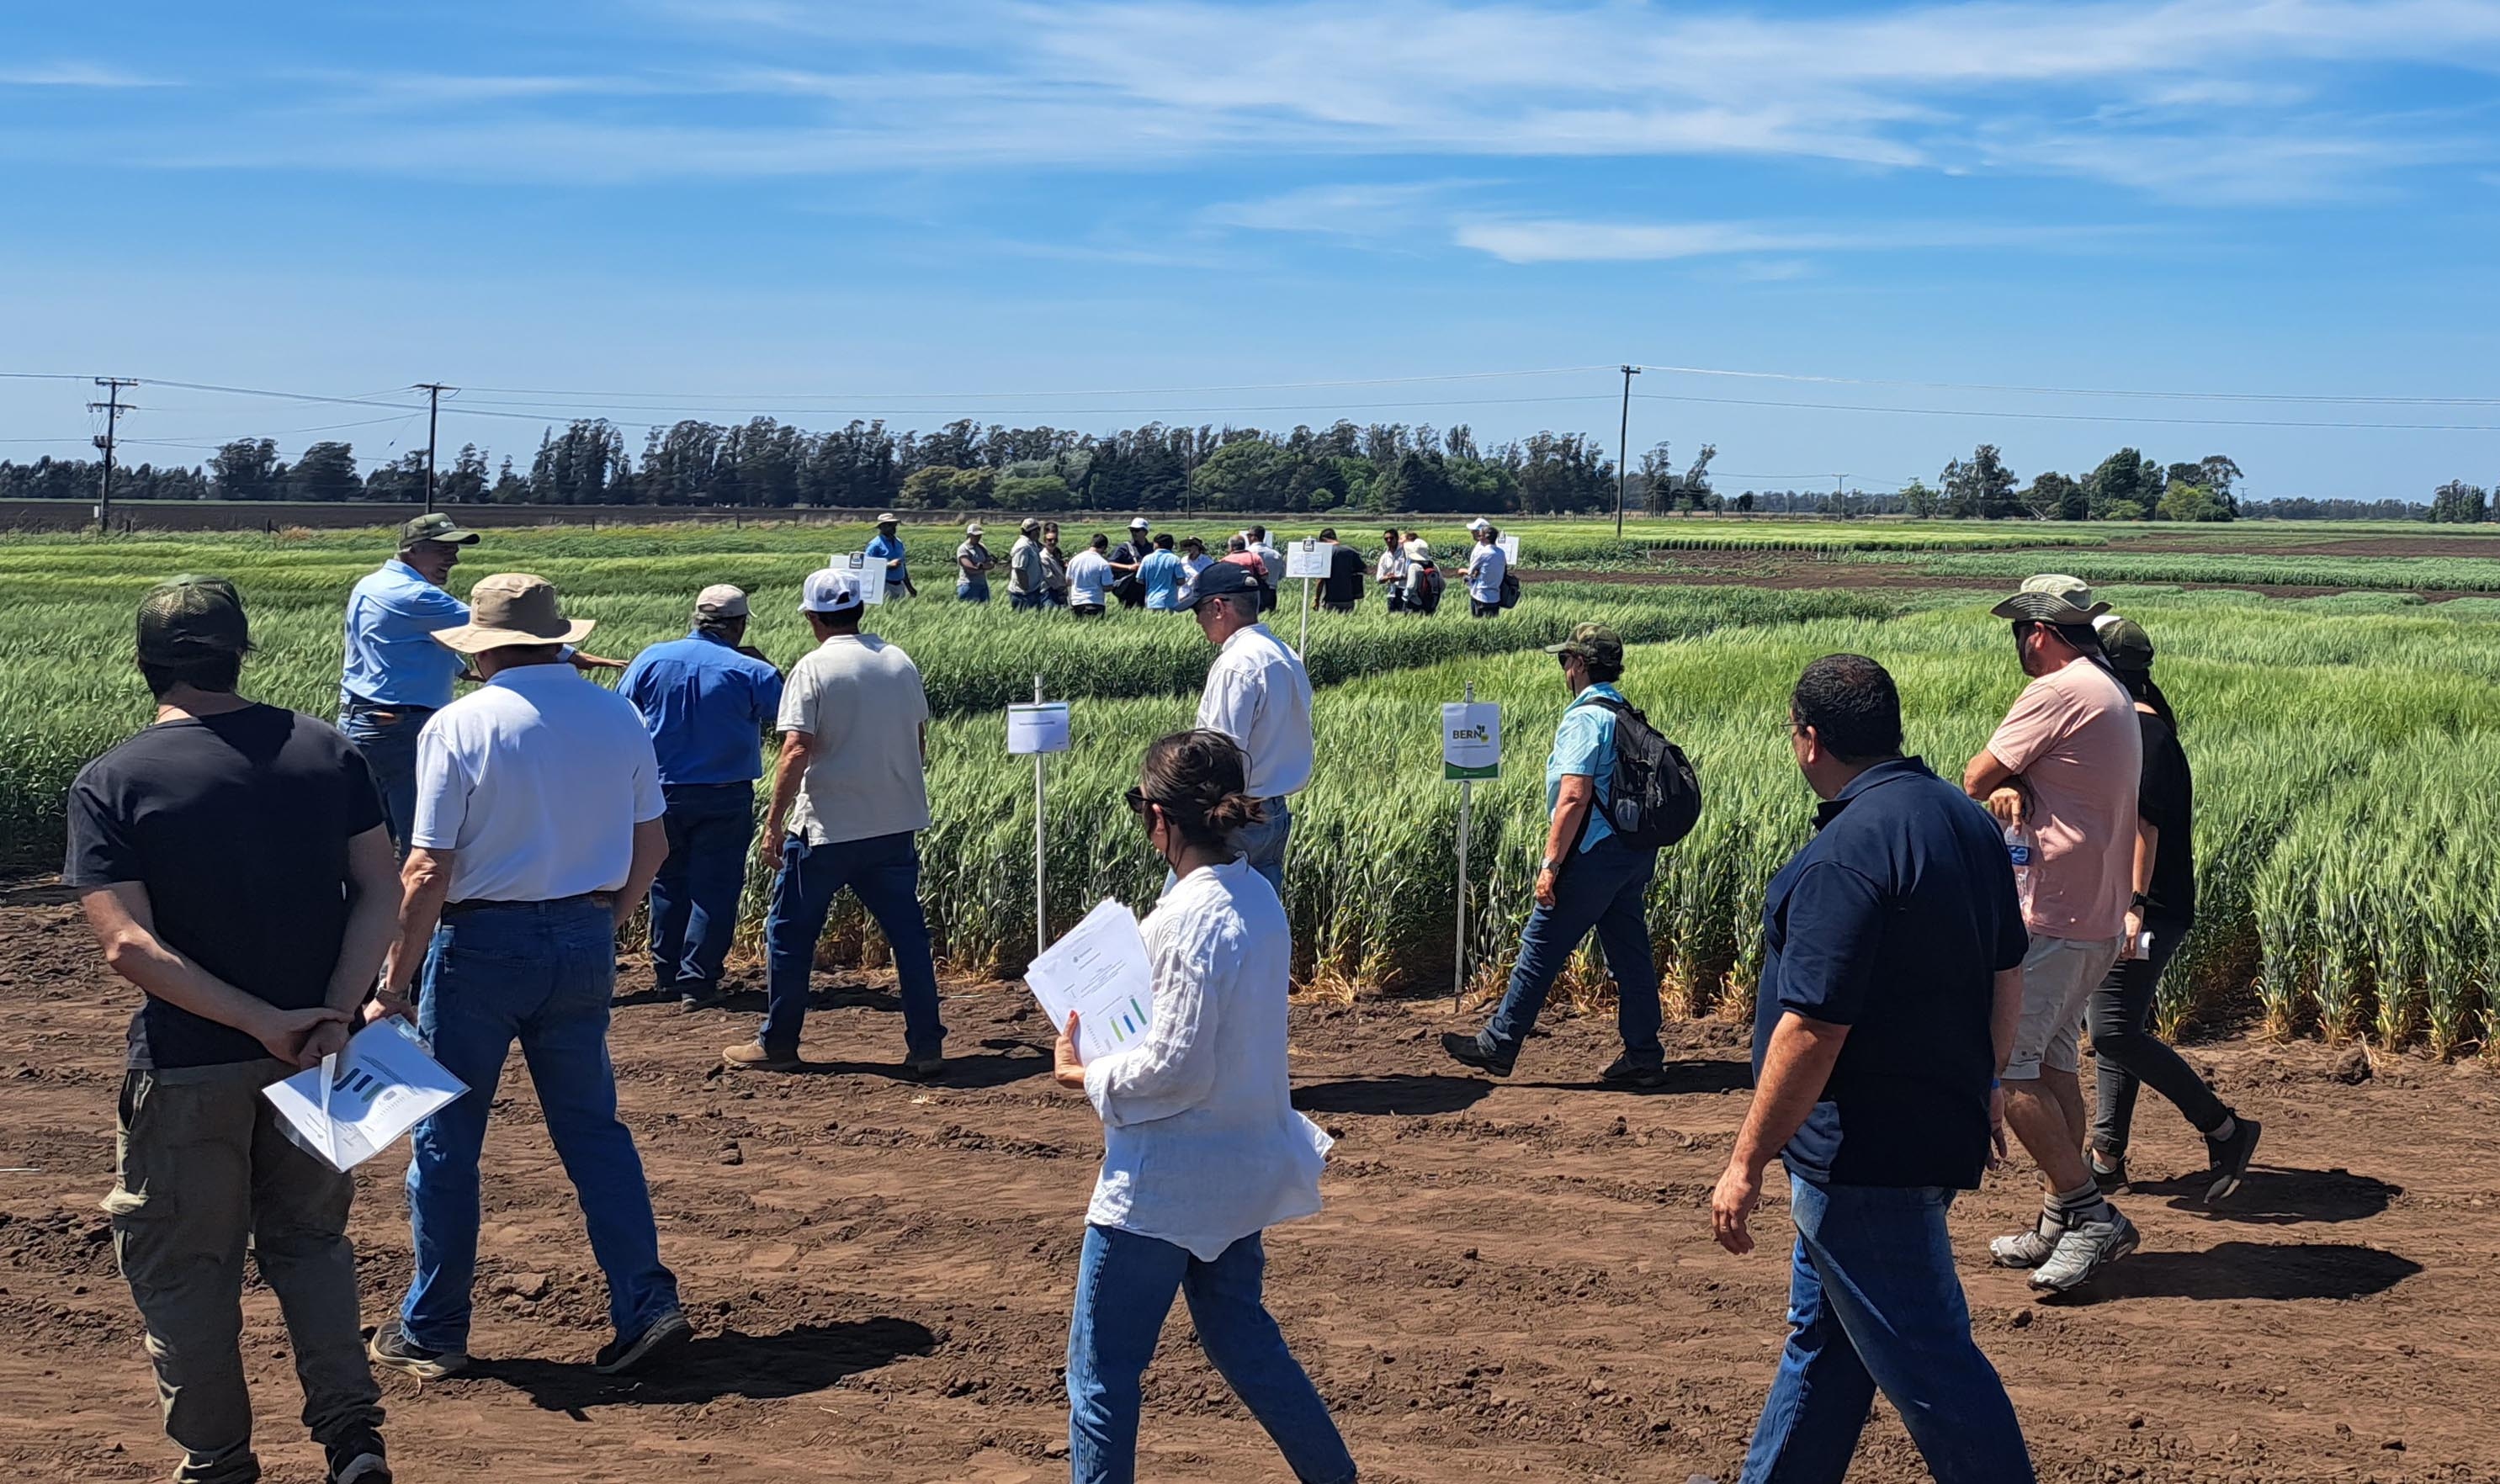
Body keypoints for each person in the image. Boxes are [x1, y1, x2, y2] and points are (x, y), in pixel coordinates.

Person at [70, 575, 395, 1484]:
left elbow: (128, 948)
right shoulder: (326, 751)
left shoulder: (114, 780)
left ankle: (217, 1464)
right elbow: (381, 888)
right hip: (329, 1057)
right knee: (314, 1245)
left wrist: (264, 1024)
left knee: (188, 1269)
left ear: (145, 666)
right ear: (240, 651)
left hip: (190, 1064)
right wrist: (333, 1012)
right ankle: (353, 1442)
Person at [1712, 654, 2036, 1484]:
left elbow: (1811, 1032)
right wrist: (1986, 1081)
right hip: (1932, 1127)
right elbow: (2006, 974)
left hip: (1860, 1157)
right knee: (1825, 1350)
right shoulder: (1963, 823)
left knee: (1933, 1367)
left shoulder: (1842, 856)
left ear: (1809, 740)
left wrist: (1746, 1162)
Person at [368, 573, 688, 1382]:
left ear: (484, 651)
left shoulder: (459, 725)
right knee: (593, 1132)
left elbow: (426, 867)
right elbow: (652, 848)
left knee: (446, 1141)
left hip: (481, 947)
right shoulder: (618, 714)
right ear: (556, 639)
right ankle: (645, 1304)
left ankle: (435, 1327)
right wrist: (601, 925)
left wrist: (393, 984)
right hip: (583, 937)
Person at [1051, 729, 1353, 1484]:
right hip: (1239, 1167)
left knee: (1101, 1376)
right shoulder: (1257, 896)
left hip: (1162, 1188)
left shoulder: (1187, 920)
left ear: (1158, 818)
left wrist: (1084, 1075)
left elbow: (1175, 1068)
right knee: (1241, 1338)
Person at [1962, 575, 2142, 1296]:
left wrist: (2013, 784)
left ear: (2038, 632)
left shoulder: (2056, 690)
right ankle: (2058, 1217)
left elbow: (1976, 776)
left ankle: (2088, 1214)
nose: (2018, 648)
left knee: (2008, 1068)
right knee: (2054, 1065)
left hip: (2051, 913)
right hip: (2097, 912)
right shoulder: (2111, 691)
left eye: (2017, 634)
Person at [729, 568, 946, 1075]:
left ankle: (779, 1042)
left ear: (813, 618)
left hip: (825, 828)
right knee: (909, 937)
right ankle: (927, 1046)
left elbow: (796, 749)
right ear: (860, 609)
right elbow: (917, 741)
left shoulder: (812, 668)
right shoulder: (899, 661)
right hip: (894, 824)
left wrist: (773, 821)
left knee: (790, 934)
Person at [1443, 623, 1665, 1086]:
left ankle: (1499, 1044)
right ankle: (1644, 1054)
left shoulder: (1585, 717)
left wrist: (1551, 865)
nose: (1563, 668)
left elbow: (1573, 795)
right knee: (1630, 954)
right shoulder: (1624, 710)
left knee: (1540, 947)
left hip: (1590, 855)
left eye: (1565, 660)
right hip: (1630, 852)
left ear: (1580, 664)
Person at [2084, 617, 2260, 1200]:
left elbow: (2143, 829)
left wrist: (2131, 907)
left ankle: (2223, 1128)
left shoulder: (2143, 735)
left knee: (2110, 1032)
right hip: (2143, 903)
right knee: (2118, 1026)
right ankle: (2106, 1157)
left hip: (2146, 907)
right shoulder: (2138, 726)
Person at [339, 514, 624, 856]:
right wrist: (574, 656)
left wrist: (462, 671)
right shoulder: (415, 596)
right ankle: (415, 908)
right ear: (412, 550)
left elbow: (405, 642)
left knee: (368, 841)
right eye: (443, 549)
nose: (453, 558)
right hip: (402, 726)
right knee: (423, 839)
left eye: (455, 550)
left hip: (367, 718)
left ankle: (370, 906)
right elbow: (499, 630)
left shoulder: (372, 584)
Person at [619, 584, 785, 1010]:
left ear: (696, 618)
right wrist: (769, 666)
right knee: (715, 887)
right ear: (739, 625)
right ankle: (698, 981)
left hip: (658, 790)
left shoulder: (651, 657)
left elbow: (622, 710)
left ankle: (665, 975)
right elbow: (787, 714)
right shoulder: (751, 670)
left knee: (665, 880)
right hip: (724, 793)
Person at [1179, 562, 1313, 902]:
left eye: (1198, 609)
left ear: (1219, 607)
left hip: (1235, 818)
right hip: (1275, 813)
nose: (1196, 620)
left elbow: (1220, 753)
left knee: (1188, 914)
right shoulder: (1286, 655)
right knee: (1260, 918)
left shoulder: (1237, 665)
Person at [864, 512, 914, 599]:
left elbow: (903, 566)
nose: (893, 527)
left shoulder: (899, 543)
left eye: (894, 525)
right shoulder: (875, 545)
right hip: (884, 585)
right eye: (890, 525)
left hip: (900, 585)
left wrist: (909, 587)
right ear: (881, 527)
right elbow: (867, 566)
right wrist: (887, 565)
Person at [1464, 522, 1507, 618]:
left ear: (1486, 538)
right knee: (1492, 626)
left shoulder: (1483, 553)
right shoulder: (1501, 553)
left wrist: (1461, 570)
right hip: (1496, 597)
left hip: (1480, 595)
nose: (1479, 538)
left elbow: (1470, 572)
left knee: (1478, 625)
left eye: (1480, 535)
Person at [1316, 528, 1365, 613]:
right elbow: (1364, 570)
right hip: (1349, 599)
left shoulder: (1326, 553)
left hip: (1330, 600)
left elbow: (1320, 579)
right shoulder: (1351, 551)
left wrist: (1316, 599)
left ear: (1323, 540)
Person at [1069, 533, 1116, 617]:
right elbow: (1107, 587)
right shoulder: (1103, 563)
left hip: (1076, 602)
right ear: (1104, 547)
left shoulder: (1074, 560)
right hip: (1095, 602)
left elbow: (1068, 581)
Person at [1110, 517, 1153, 608]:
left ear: (1145, 532)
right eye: (1132, 530)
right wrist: (1129, 567)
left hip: (1148, 588)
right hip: (1129, 589)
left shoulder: (1152, 548)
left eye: (1137, 530)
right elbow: (1110, 564)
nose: (1134, 533)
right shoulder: (1125, 547)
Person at [1008, 517, 1049, 612]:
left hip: (1033, 591)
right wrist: (1026, 589)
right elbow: (1019, 569)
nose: (1039, 533)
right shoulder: (1023, 547)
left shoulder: (1031, 543)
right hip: (1023, 594)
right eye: (1038, 530)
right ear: (1033, 532)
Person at [1139, 533, 1187, 612]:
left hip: (1151, 601)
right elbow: (1181, 581)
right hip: (1170, 601)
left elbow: (1140, 580)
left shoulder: (1146, 559)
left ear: (1157, 544)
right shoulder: (1175, 559)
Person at [1401, 530, 1442, 615]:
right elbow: (1442, 584)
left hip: (1415, 602)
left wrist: (1404, 598)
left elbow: (1410, 587)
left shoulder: (1414, 567)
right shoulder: (1434, 565)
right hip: (1428, 603)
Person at [957, 522, 996, 602]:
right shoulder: (963, 549)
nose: (978, 537)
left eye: (979, 535)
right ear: (969, 535)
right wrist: (983, 567)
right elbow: (969, 568)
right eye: (975, 535)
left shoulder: (982, 547)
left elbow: (991, 564)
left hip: (982, 584)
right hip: (968, 585)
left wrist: (981, 566)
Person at [1374, 527, 1409, 614]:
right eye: (1386, 539)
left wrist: (1398, 578)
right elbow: (1379, 578)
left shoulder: (1405, 553)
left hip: (1405, 592)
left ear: (1397, 538)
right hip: (1391, 593)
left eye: (1391, 538)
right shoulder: (1384, 557)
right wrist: (1386, 577)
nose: (1389, 540)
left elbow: (1412, 573)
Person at [1043, 522, 1072, 608]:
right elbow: (1049, 577)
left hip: (1060, 589)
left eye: (1055, 540)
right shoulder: (1043, 556)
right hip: (1051, 590)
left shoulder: (1056, 552)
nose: (1053, 542)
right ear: (1044, 540)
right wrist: (1062, 587)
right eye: (1050, 540)